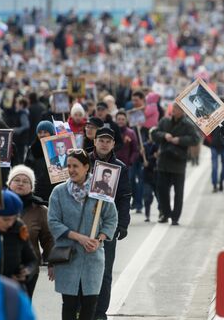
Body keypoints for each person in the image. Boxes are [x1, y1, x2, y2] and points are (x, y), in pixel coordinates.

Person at [48, 149, 118, 320]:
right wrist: (79, 237)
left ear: (86, 167)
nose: (71, 170)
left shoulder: (101, 191)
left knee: (90, 305)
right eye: (69, 166)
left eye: (76, 166)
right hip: (68, 255)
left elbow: (111, 219)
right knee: (69, 305)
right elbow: (53, 222)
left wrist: (100, 238)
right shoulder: (59, 192)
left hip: (92, 257)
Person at [89, 127, 131, 320]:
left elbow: (124, 197)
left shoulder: (120, 167)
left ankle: (100, 312)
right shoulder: (83, 162)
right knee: (84, 270)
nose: (104, 144)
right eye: (101, 140)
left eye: (108, 141)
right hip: (84, 224)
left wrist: (122, 224)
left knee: (105, 271)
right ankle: (84, 309)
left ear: (113, 144)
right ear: (95, 141)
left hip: (107, 226)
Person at [7, 164, 54, 299]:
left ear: (31, 187)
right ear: (9, 183)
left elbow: (48, 239)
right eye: (17, 180)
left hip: (29, 268)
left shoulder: (40, 210)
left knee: (22, 307)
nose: (21, 183)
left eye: (25, 181)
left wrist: (52, 262)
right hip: (1, 266)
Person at [151, 103, 200, 224]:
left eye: (177, 109)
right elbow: (154, 134)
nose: (174, 111)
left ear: (183, 111)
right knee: (161, 190)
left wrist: (180, 140)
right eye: (174, 108)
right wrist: (164, 135)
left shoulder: (188, 124)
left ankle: (175, 217)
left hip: (178, 161)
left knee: (178, 193)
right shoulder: (164, 121)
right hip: (163, 160)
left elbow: (195, 139)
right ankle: (165, 213)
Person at [0, 189, 38, 294]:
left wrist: (27, 272)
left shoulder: (19, 228)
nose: (10, 224)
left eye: (14, 218)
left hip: (13, 290)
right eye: (6, 219)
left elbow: (32, 260)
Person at [25, 120, 58, 202]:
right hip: (37, 189)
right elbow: (27, 168)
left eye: (45, 132)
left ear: (51, 133)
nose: (42, 135)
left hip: (54, 188)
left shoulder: (58, 148)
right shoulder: (32, 148)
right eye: (40, 132)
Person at [203, 127, 224, 193]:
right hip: (214, 145)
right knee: (215, 166)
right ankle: (215, 184)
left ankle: (221, 181)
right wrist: (210, 141)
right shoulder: (213, 118)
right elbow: (207, 131)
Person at [142, 128, 159, 222]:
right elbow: (141, 159)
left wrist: (151, 159)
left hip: (157, 175)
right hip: (147, 175)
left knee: (159, 196)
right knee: (147, 195)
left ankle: (161, 212)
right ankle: (147, 214)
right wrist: (141, 155)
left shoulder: (159, 146)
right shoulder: (144, 146)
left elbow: (158, 158)